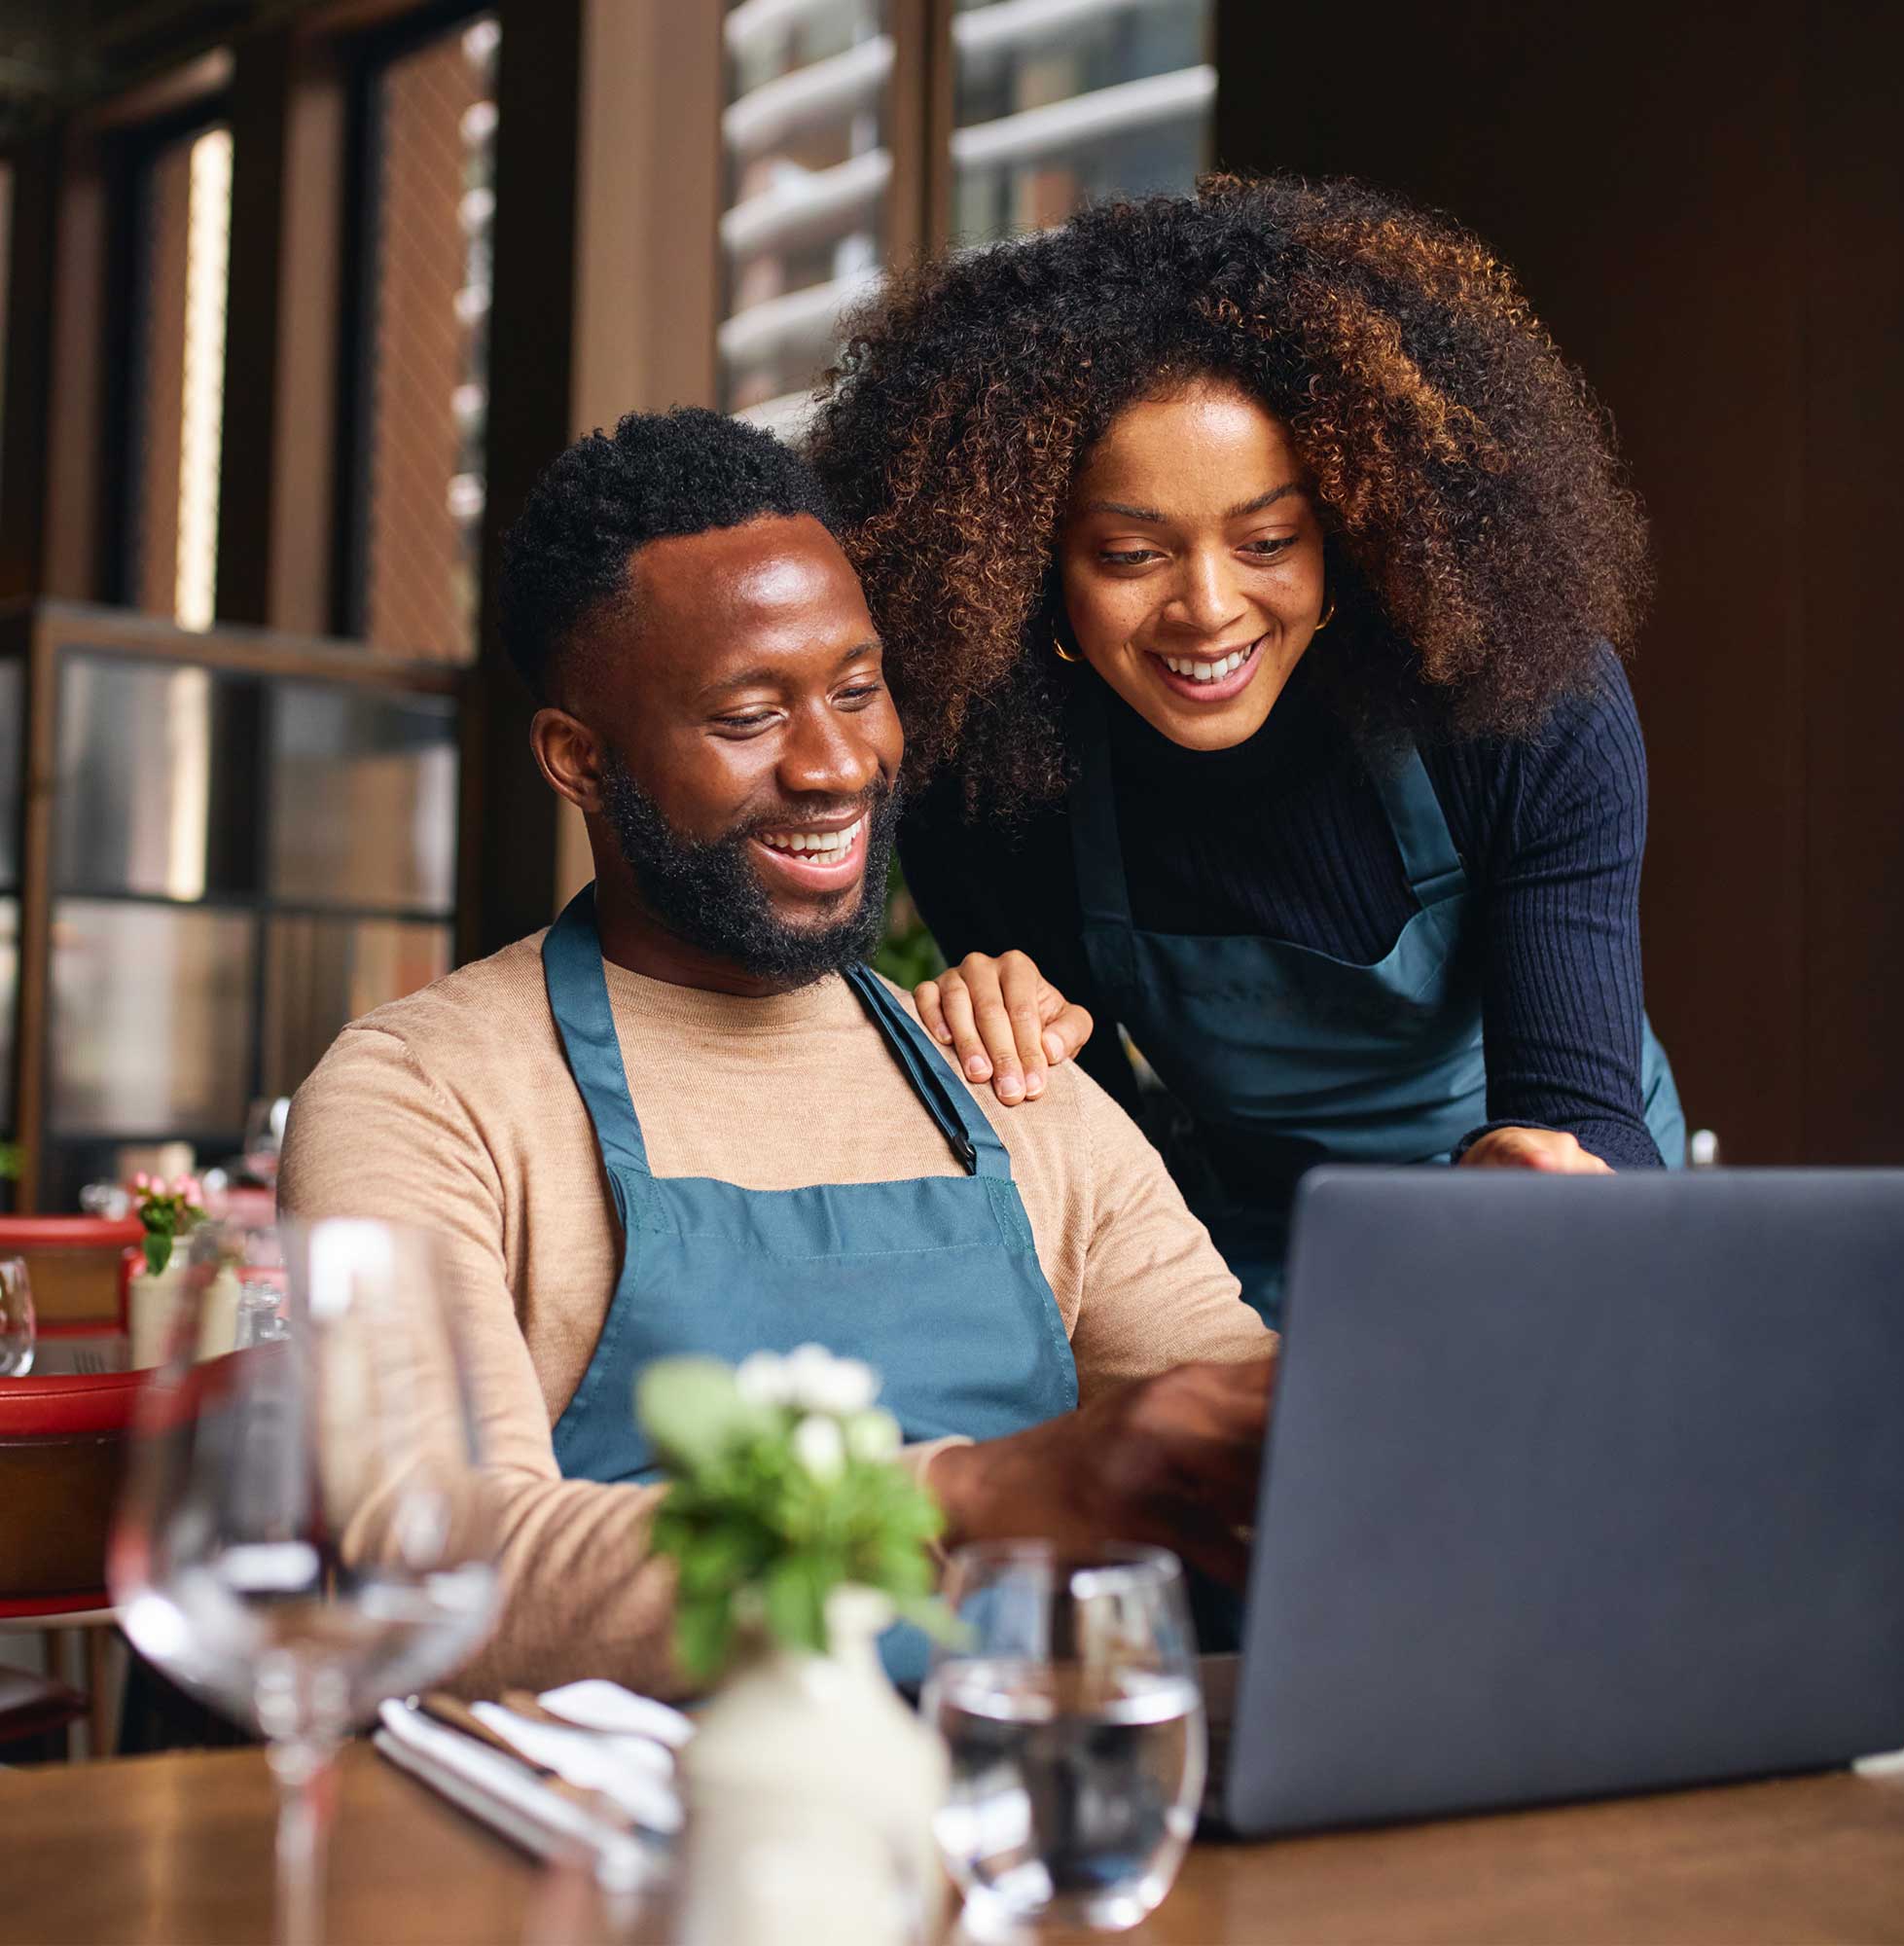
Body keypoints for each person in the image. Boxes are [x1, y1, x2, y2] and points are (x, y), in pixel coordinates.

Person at [279, 408, 1274, 1698]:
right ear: (580, 761)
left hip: (1025, 1825)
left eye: (858, 690)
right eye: (750, 716)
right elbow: (432, 1560)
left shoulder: (1007, 1069)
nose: (836, 765)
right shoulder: (424, 1097)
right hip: (622, 1867)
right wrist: (976, 1492)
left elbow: (1240, 1433)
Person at [808, 174, 1686, 1322]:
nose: (1209, 609)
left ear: (1350, 530)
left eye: (1268, 538)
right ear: (1028, 570)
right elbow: (1103, 1175)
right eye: (1130, 555)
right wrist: (1003, 1047)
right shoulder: (989, 780)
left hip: (1547, 1212)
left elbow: (1582, 1108)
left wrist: (1543, 1181)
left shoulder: (1517, 703)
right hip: (1253, 1244)